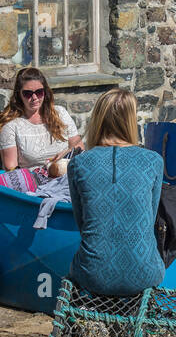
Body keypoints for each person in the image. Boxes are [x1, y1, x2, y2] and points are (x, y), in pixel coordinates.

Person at [66, 89, 165, 297]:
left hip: (92, 274)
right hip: (145, 273)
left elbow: (82, 223)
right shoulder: (154, 161)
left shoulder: (78, 163)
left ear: (98, 119)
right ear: (131, 119)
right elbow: (150, 218)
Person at [0, 67, 83, 170]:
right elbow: (11, 169)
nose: (34, 97)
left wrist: (65, 155)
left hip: (66, 177)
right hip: (33, 182)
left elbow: (79, 146)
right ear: (19, 95)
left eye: (39, 92)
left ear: (45, 92)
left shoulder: (60, 113)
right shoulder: (11, 126)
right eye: (28, 94)